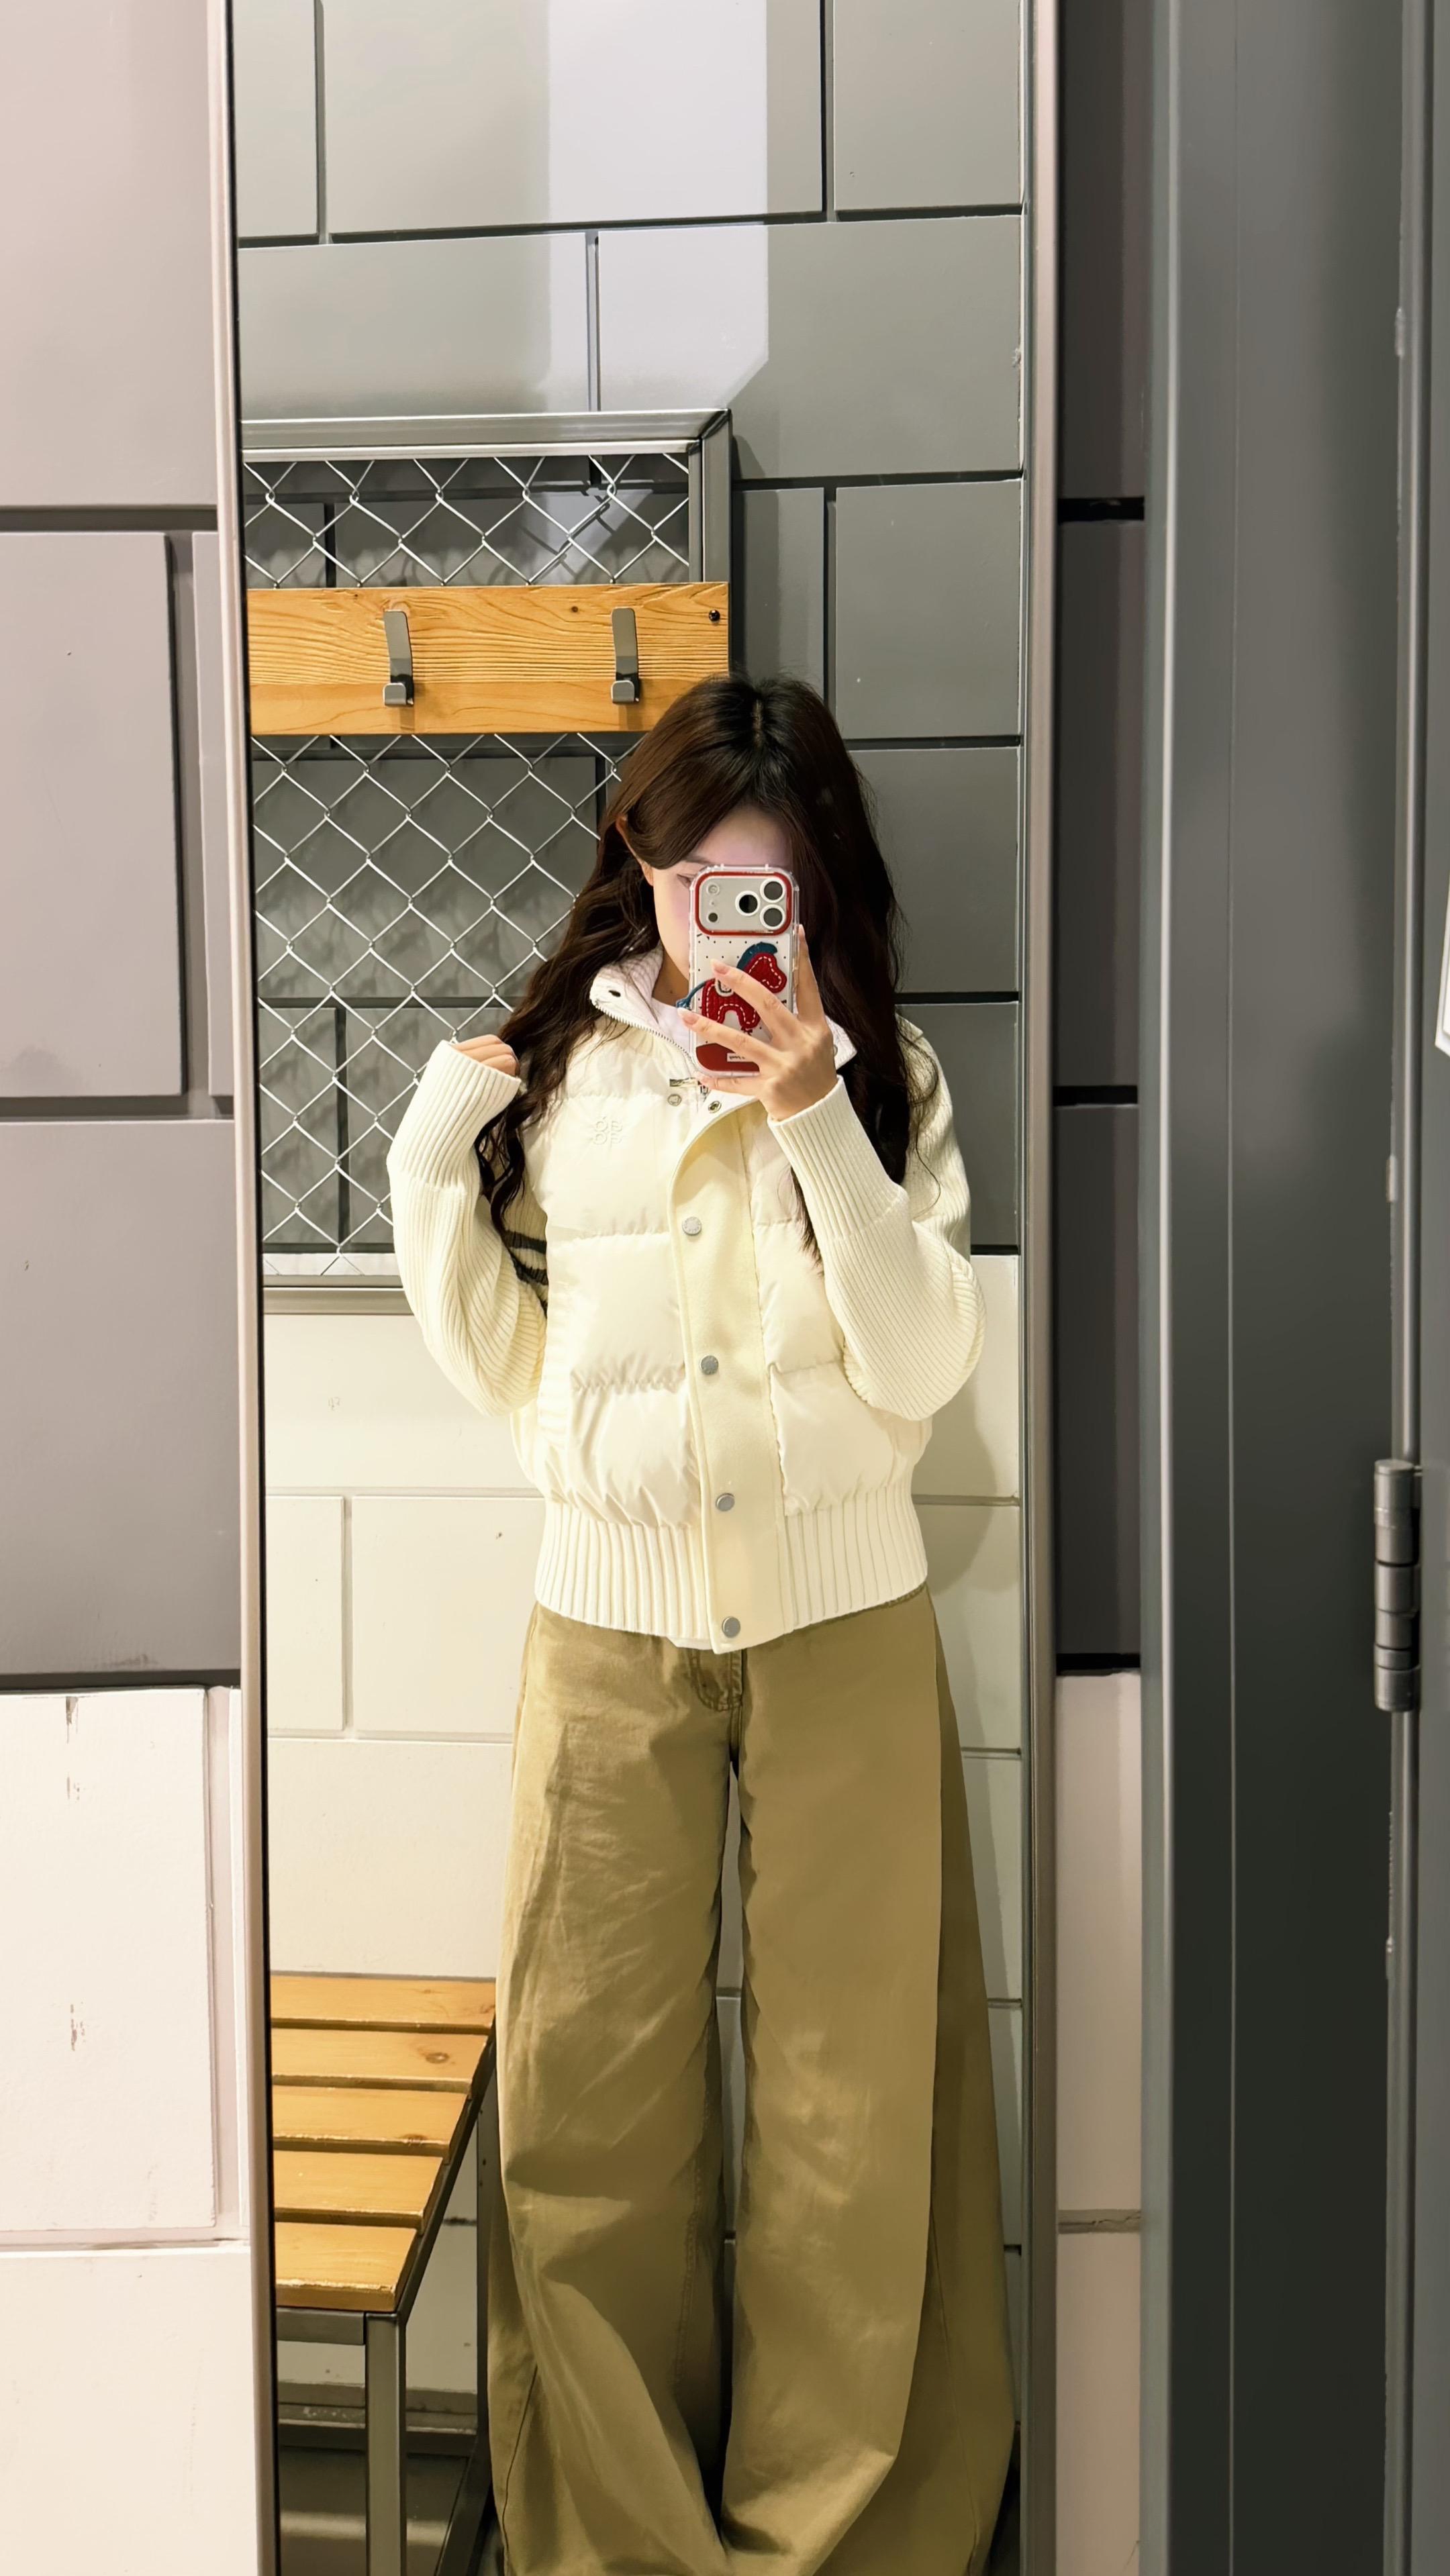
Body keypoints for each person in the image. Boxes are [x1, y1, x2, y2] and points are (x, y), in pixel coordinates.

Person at [385, 673, 1015, 2576]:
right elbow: (496, 1346)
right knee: (590, 2106)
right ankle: (619, 2542)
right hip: (606, 1627)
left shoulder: (884, 1077)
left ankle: (841, 2540)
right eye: (695, 885)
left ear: (817, 889)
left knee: (853, 2118)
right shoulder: (557, 1076)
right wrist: (432, 1154)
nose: (726, 923)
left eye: (769, 892)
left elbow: (921, 1368)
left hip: (845, 1624)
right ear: (640, 868)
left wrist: (813, 1111)